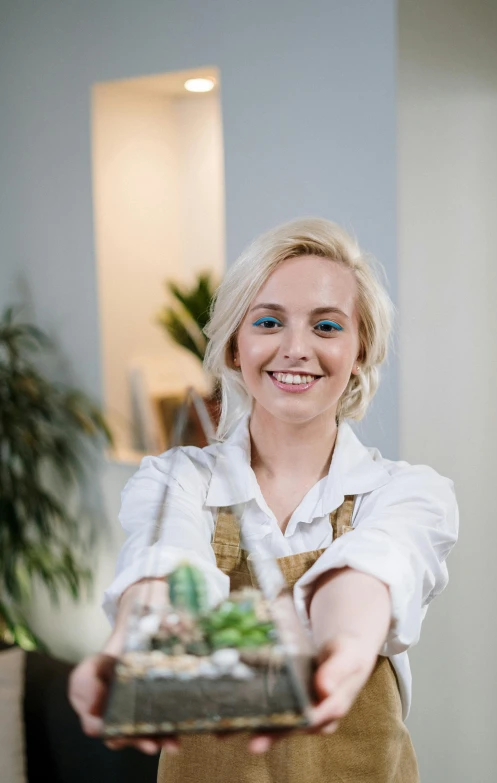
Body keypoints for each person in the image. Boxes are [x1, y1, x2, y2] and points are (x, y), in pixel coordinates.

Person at [69, 217, 458, 782]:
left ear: (360, 347)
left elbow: (372, 573)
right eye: (269, 322)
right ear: (234, 345)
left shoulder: (407, 494)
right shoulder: (176, 481)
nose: (296, 349)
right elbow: (166, 564)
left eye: (327, 326)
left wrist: (344, 649)